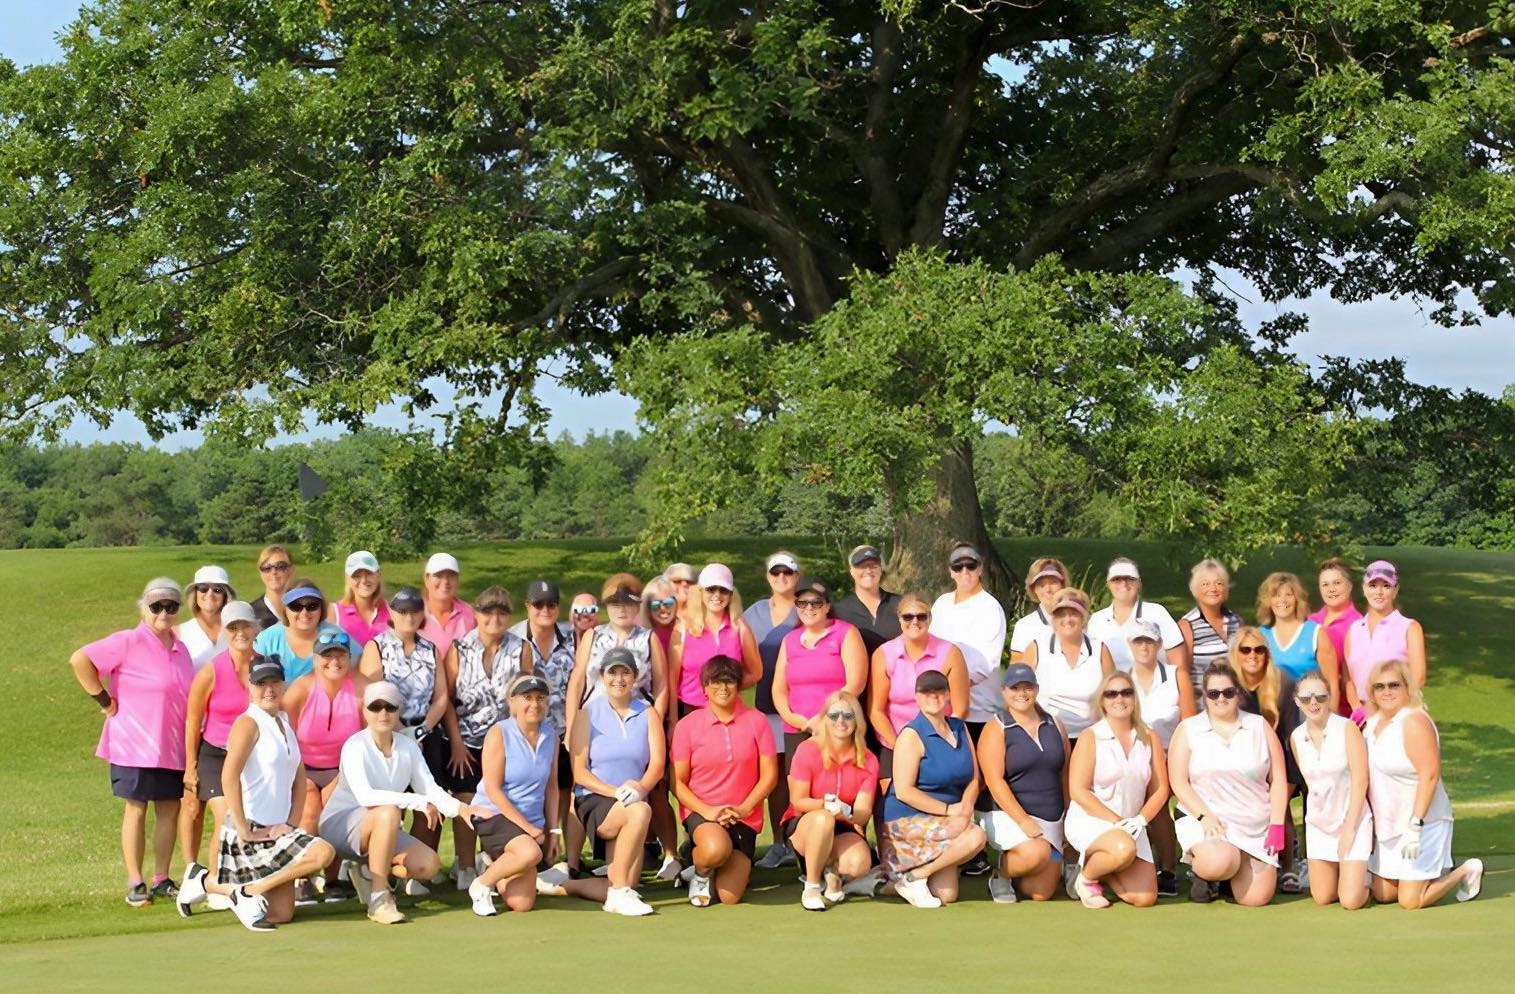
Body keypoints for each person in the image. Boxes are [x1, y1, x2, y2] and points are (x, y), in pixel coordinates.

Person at [319, 681, 490, 924]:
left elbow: (431, 790)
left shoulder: (408, 747)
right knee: (389, 812)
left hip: (382, 829)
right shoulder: (355, 746)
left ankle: (369, 870)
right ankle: (379, 898)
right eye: (375, 707)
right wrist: (417, 802)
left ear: (399, 710)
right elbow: (366, 797)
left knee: (427, 866)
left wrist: (463, 810)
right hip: (340, 827)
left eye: (389, 707)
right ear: (365, 712)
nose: (383, 713)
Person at [69, 577, 195, 907]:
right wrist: (104, 700)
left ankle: (162, 878)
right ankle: (135, 881)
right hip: (134, 743)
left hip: (172, 745)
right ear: (144, 608)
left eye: (171, 606)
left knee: (170, 809)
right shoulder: (127, 641)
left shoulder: (182, 650)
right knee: (136, 808)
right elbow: (80, 660)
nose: (163, 612)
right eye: (156, 606)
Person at [215, 656, 337, 931]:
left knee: (281, 914)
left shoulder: (283, 721)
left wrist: (292, 824)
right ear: (250, 687)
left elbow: (299, 775)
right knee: (322, 852)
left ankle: (236, 889)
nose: (268, 689)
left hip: (276, 833)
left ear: (284, 685)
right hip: (251, 832)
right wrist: (244, 828)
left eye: (274, 682)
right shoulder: (248, 723)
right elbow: (229, 776)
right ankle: (245, 892)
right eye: (261, 683)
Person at [562, 574, 673, 877]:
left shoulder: (647, 637)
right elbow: (577, 681)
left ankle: (664, 855)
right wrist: (572, 726)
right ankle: (572, 862)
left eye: (628, 603)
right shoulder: (593, 635)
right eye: (615, 603)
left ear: (637, 606)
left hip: (636, 721)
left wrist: (654, 723)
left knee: (649, 787)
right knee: (580, 786)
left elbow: (662, 685)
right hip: (595, 723)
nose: (621, 609)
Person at [1364, 660, 1483, 909]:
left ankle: (1464, 871)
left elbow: (1429, 774)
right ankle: (1431, 872)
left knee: (1410, 900)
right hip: (1388, 825)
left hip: (1422, 823)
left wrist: (1415, 826)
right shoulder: (1372, 724)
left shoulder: (1414, 721)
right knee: (1384, 894)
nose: (1386, 692)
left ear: (1407, 687)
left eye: (1394, 685)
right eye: (1379, 686)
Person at [1168, 662, 1289, 906]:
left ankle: (1229, 877)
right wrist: (1205, 817)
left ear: (1238, 693)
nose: (1221, 698)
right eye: (1214, 693)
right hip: (1211, 821)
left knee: (1257, 899)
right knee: (1218, 862)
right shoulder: (1189, 729)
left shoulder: (1258, 725)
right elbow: (1178, 782)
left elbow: (1278, 779)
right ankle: (1206, 875)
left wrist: (1277, 823)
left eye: (1228, 692)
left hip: (1255, 824)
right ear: (1205, 696)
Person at [556, 648, 664, 916]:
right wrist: (618, 793)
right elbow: (579, 773)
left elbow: (657, 765)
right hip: (595, 801)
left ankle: (566, 886)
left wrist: (639, 788)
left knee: (627, 879)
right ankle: (617, 896)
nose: (618, 678)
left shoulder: (648, 713)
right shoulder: (587, 714)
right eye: (612, 672)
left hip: (632, 800)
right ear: (602, 677)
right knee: (640, 811)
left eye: (625, 672)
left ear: (635, 677)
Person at [671, 656, 779, 907]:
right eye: (716, 682)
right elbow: (677, 782)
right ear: (705, 688)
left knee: (729, 897)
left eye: (729, 681)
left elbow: (769, 776)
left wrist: (743, 808)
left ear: (739, 685)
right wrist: (708, 811)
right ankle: (700, 868)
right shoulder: (688, 725)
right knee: (715, 849)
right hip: (704, 811)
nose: (723, 688)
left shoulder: (757, 721)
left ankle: (703, 862)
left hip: (744, 816)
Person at [878, 670, 988, 908]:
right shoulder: (911, 734)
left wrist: (966, 808)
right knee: (976, 836)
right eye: (927, 692)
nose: (934, 696)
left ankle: (902, 880)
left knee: (945, 894)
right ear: (917, 697)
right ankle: (910, 877)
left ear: (948, 695)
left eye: (940, 691)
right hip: (906, 820)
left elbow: (974, 777)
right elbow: (905, 791)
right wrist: (949, 810)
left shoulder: (959, 727)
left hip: (947, 817)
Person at [176, 600, 259, 914]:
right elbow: (193, 720)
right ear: (225, 632)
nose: (240, 632)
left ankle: (219, 882)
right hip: (214, 755)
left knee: (249, 819)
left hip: (251, 758)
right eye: (233, 627)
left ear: (255, 628)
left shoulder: (266, 666)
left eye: (245, 626)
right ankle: (215, 885)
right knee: (226, 817)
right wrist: (190, 768)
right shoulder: (211, 671)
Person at [1062, 670, 1168, 909]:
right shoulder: (1091, 736)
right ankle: (1086, 879)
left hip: (1132, 825)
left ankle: (1103, 866)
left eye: (1126, 693)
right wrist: (1116, 821)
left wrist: (1141, 820)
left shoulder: (1150, 737)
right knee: (1123, 848)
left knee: (1144, 898)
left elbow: (1160, 789)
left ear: (1134, 698)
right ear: (1102, 701)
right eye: (1111, 694)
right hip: (1092, 821)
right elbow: (1078, 791)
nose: (1119, 699)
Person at [440, 585, 520, 890]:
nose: (494, 618)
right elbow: (446, 697)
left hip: (505, 742)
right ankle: (466, 865)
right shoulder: (460, 649)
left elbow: (524, 695)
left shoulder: (519, 647)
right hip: (467, 741)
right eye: (488, 611)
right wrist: (457, 743)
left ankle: (500, 861)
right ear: (476, 614)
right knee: (466, 799)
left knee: (502, 800)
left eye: (501, 612)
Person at [283, 627, 369, 903]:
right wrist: (299, 777)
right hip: (302, 768)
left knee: (333, 816)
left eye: (340, 655)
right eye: (326, 656)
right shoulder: (300, 689)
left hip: (342, 770)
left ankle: (332, 881)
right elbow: (285, 737)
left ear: (348, 657)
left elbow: (369, 736)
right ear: (315, 658)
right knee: (309, 813)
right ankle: (302, 879)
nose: (334, 662)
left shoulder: (360, 689)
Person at [466, 674, 561, 916]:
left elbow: (551, 787)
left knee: (522, 903)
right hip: (494, 814)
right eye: (527, 698)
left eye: (541, 698)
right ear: (512, 701)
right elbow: (492, 789)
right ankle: (481, 885)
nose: (535, 704)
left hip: (530, 824)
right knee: (530, 853)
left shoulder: (551, 735)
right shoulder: (499, 733)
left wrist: (552, 832)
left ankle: (493, 863)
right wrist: (528, 829)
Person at [975, 664, 1068, 904]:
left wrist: (1069, 813)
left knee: (1041, 893)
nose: (1021, 693)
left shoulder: (1055, 724)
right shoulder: (996, 727)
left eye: (1027, 687)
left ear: (1036, 689)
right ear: (1004, 692)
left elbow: (1065, 773)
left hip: (1050, 817)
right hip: (1008, 815)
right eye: (1015, 688)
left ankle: (1029, 863)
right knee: (1036, 852)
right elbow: (995, 782)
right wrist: (1024, 822)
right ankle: (1001, 873)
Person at [783, 690, 879, 911]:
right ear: (825, 719)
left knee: (860, 863)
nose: (841, 721)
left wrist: (848, 813)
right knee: (823, 820)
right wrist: (825, 805)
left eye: (848, 715)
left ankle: (832, 873)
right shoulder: (808, 749)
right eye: (834, 715)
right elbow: (798, 801)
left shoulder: (868, 759)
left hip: (842, 824)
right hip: (806, 824)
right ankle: (812, 885)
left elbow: (863, 811)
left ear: (857, 720)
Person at [1288, 670, 1371, 909]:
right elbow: (1310, 783)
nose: (1313, 703)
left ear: (1329, 697)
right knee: (1323, 897)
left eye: (1320, 697)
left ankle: (1370, 876)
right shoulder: (1296, 737)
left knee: (1351, 901)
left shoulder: (1347, 729)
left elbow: (1360, 781)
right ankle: (1348, 874)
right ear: (1297, 702)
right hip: (1318, 823)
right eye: (1306, 698)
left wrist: (1349, 828)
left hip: (1351, 819)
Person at [868, 595, 970, 790]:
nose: (915, 621)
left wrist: (939, 745)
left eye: (921, 616)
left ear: (930, 619)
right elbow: (876, 710)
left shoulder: (950, 653)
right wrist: (901, 746)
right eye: (908, 617)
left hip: (940, 742)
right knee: (894, 808)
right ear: (899, 619)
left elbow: (961, 709)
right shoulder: (884, 654)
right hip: (895, 742)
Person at [743, 551, 801, 869]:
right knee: (775, 776)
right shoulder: (753, 614)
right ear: (768, 576)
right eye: (776, 573)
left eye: (787, 573)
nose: (782, 578)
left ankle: (802, 841)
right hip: (766, 709)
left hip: (802, 709)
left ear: (797, 575)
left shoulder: (808, 608)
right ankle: (780, 843)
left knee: (801, 775)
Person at [1126, 620, 1189, 897]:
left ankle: (1170, 868)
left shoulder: (1176, 675)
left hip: (1175, 754)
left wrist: (1173, 758)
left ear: (1159, 645)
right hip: (1137, 756)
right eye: (1138, 641)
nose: (1144, 647)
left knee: (1163, 803)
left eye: (1149, 641)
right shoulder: (1123, 680)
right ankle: (1155, 865)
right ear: (1130, 645)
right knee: (1152, 804)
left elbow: (1189, 723)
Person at [929, 544, 1007, 742]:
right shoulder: (941, 603)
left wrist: (951, 690)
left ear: (980, 569)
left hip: (980, 711)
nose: (965, 571)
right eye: (958, 567)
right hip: (941, 707)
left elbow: (986, 664)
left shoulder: (990, 607)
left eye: (971, 566)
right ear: (951, 572)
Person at [1023, 589, 1115, 741]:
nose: (1067, 619)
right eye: (1061, 614)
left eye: (1073, 613)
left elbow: (1113, 693)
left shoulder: (1100, 649)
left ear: (1083, 617)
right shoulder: (1036, 647)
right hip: (1046, 735)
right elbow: (1018, 691)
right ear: (1053, 619)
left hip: (1091, 738)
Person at [670, 563, 761, 713]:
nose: (717, 595)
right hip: (689, 710)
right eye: (711, 589)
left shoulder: (739, 627)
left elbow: (755, 672)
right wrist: (672, 719)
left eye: (723, 590)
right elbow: (671, 679)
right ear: (700, 592)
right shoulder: (684, 627)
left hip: (729, 710)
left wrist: (724, 690)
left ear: (731, 594)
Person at [1343, 560, 1428, 719]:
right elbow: (1348, 677)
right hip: (1362, 718)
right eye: (1373, 586)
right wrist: (1357, 708)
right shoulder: (1354, 630)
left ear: (1395, 591)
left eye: (1386, 586)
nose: (1379, 592)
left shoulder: (1409, 627)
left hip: (1398, 714)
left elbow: (1418, 677)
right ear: (1364, 588)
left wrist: (1387, 710)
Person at [1087, 558, 1189, 685]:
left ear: (1139, 583)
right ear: (1108, 584)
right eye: (1116, 579)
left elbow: (1178, 664)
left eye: (1130, 579)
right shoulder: (1096, 620)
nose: (1123, 584)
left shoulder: (1157, 613)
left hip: (1154, 691)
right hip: (1113, 695)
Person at [1257, 571, 1341, 706]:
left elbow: (1332, 685)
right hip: (1272, 711)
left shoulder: (1315, 633)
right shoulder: (1260, 635)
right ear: (1268, 600)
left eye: (1288, 595)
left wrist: (1331, 723)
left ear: (1297, 599)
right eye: (1276, 595)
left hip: (1309, 710)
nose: (1282, 600)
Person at [253, 580, 354, 682]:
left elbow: (360, 666)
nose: (304, 613)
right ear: (285, 610)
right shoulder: (267, 639)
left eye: (312, 606)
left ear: (321, 609)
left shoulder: (335, 635)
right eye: (296, 607)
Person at [1178, 559, 1242, 692]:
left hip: (1236, 702)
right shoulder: (1186, 626)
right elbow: (1181, 675)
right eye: (1205, 584)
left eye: (1219, 583)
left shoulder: (1237, 622)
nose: (1213, 589)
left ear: (1226, 589)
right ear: (1195, 590)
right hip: (1203, 705)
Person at [1310, 557, 1363, 717]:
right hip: (1308, 706)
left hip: (1343, 711)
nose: (1331, 589)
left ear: (1349, 586)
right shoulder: (1310, 622)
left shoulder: (1359, 626)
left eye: (1337, 583)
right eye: (1325, 584)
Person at [831, 544, 903, 658]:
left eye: (874, 566)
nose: (868, 570)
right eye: (862, 566)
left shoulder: (901, 604)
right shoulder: (838, 611)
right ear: (851, 571)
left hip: (897, 673)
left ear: (881, 570)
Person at [1008, 557, 1069, 663]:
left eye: (1053, 582)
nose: (1048, 589)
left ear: (1063, 585)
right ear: (1033, 589)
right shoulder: (1024, 627)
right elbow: (1016, 671)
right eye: (1041, 585)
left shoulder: (1081, 623)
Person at [329, 550, 390, 647]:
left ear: (378, 575)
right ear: (347, 579)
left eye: (369, 574)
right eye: (356, 576)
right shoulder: (334, 613)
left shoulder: (392, 611)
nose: (364, 580)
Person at [419, 552, 476, 657]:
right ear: (426, 579)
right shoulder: (414, 612)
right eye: (438, 576)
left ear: (457, 580)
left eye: (451, 576)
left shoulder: (470, 613)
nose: (445, 582)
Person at [178, 565, 234, 668]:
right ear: (195, 593)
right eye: (203, 588)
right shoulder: (178, 633)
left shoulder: (237, 630)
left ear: (225, 595)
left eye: (217, 590)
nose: (209, 594)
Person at [250, 545, 293, 630]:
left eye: (281, 566)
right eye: (266, 568)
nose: (273, 572)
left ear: (291, 570)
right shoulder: (251, 613)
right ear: (260, 573)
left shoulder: (302, 609)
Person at [642, 575, 680, 659]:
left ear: (676, 603)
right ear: (647, 608)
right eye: (655, 605)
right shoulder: (641, 634)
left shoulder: (686, 631)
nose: (662, 608)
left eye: (668, 603)